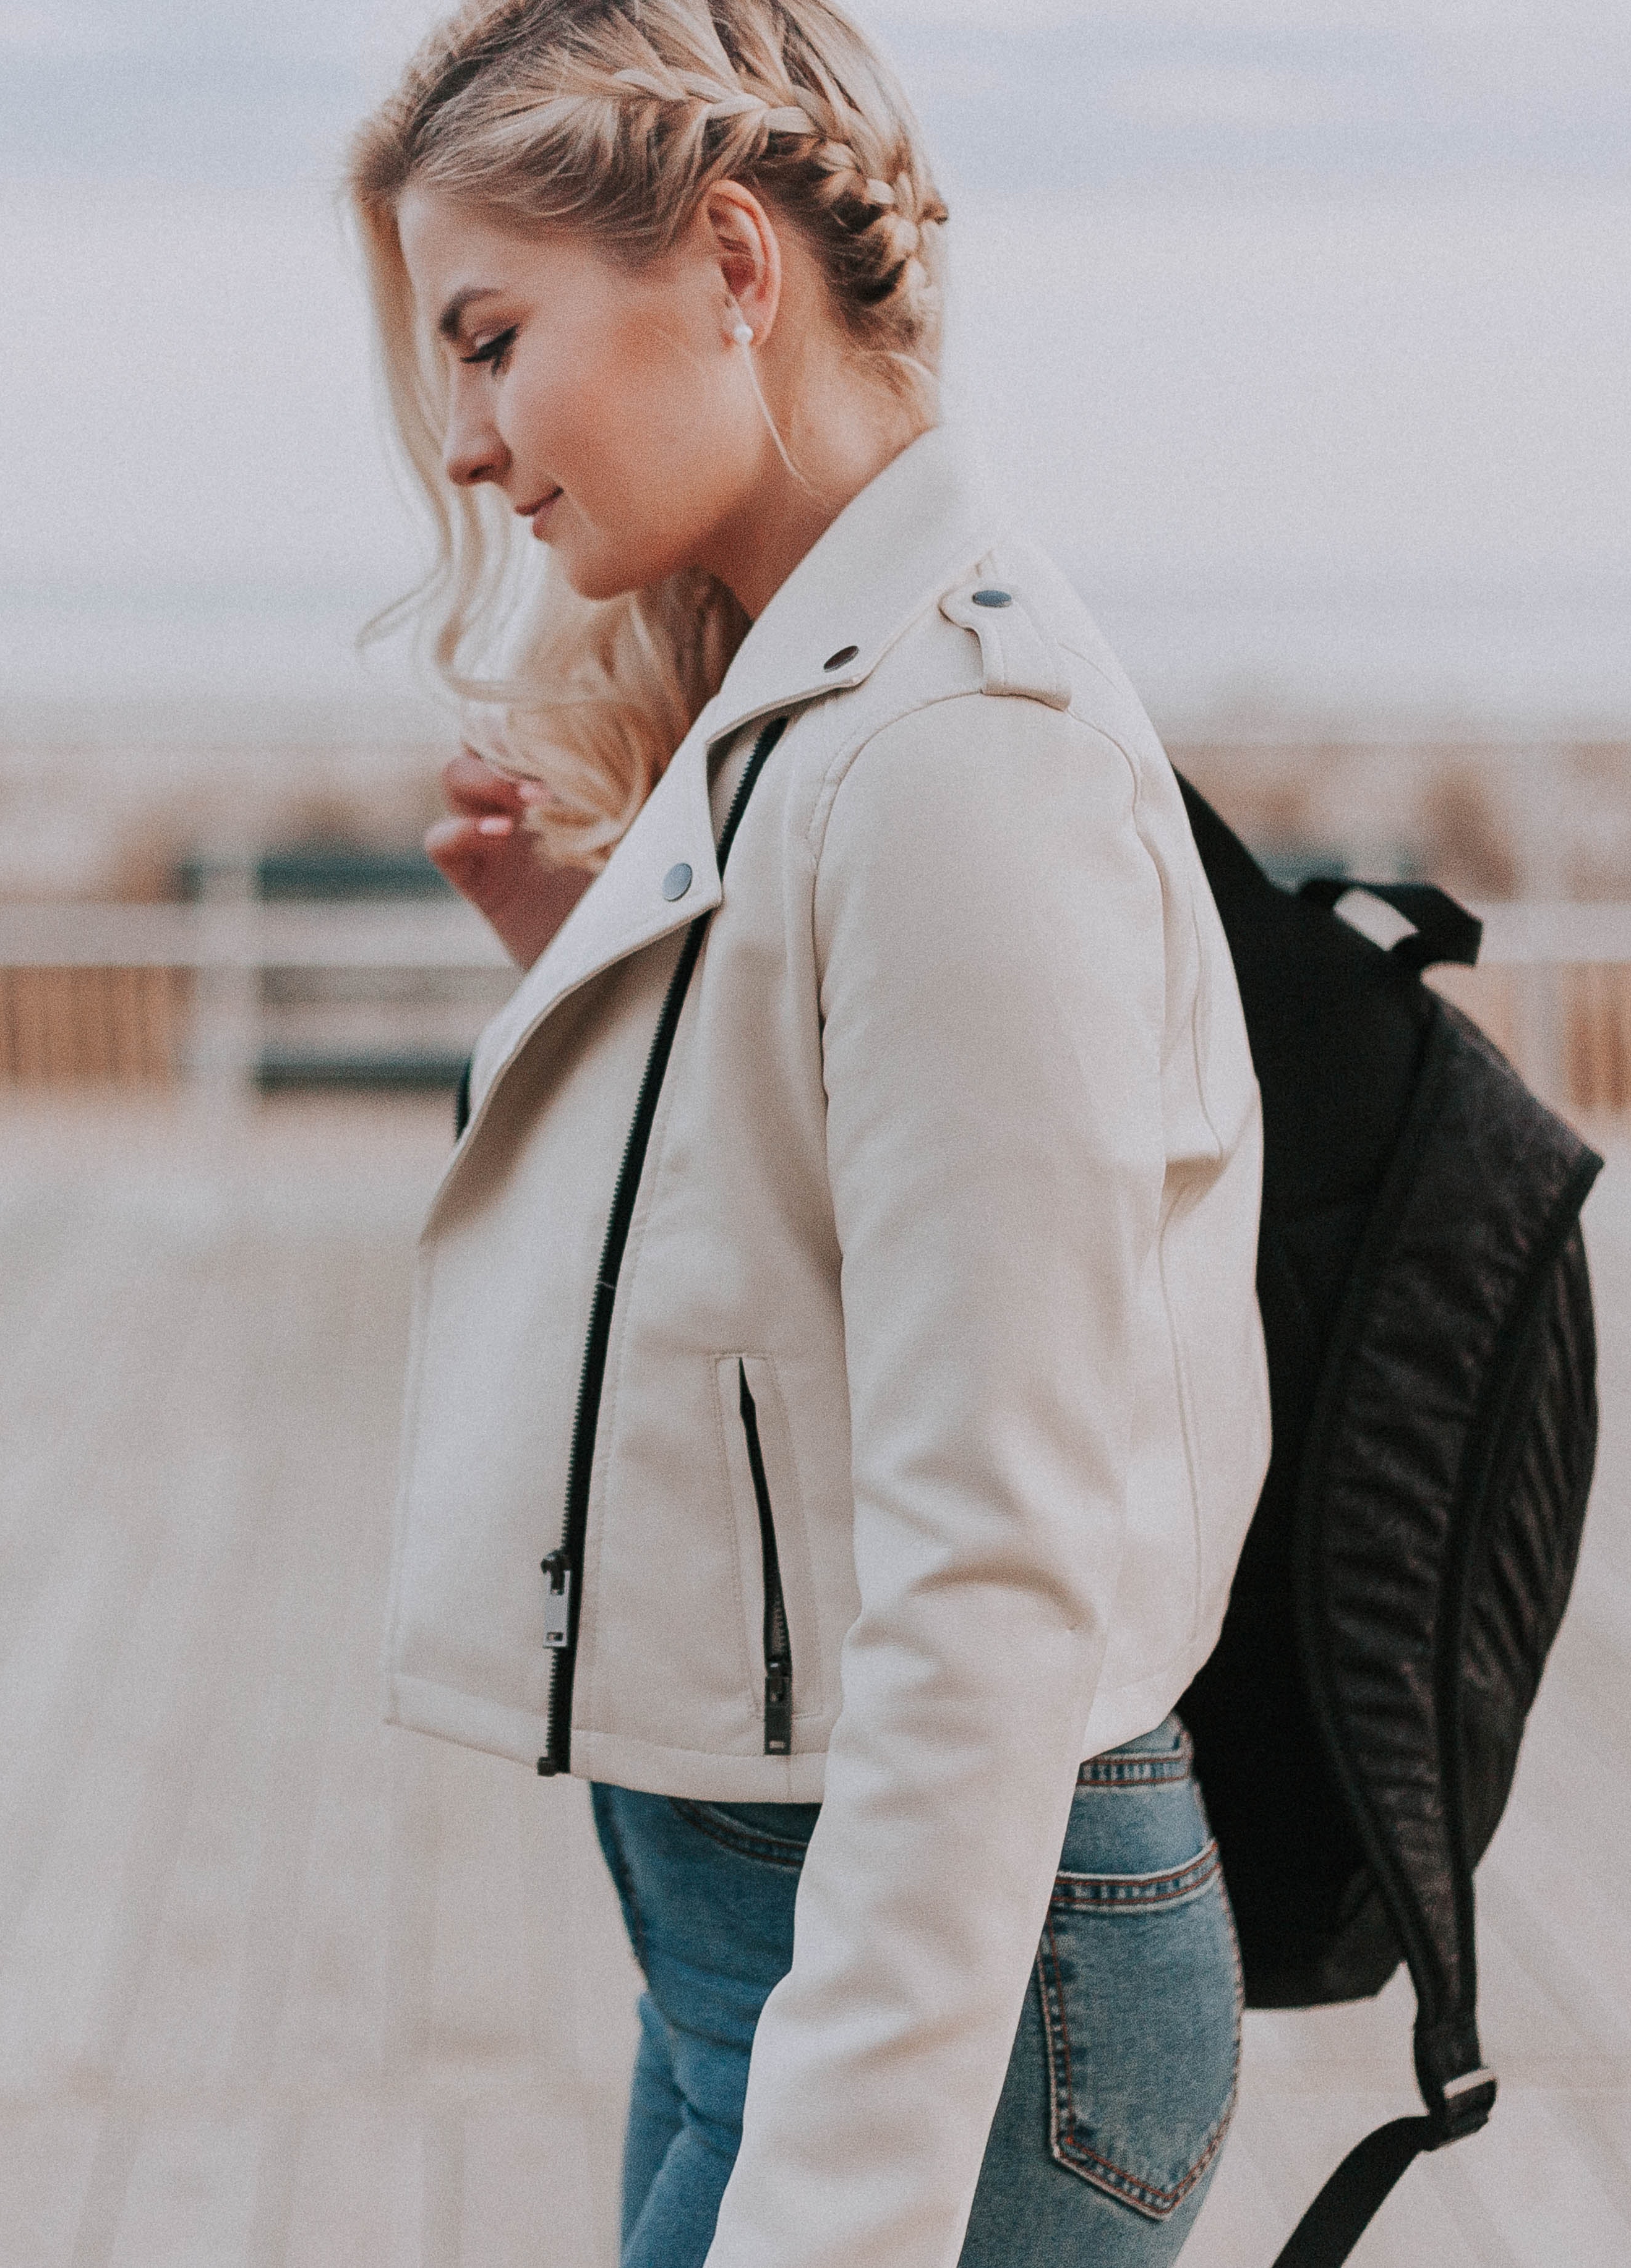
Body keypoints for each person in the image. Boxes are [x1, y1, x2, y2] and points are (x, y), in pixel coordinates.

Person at [349, 5, 1274, 2264]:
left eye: (491, 340)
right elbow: (800, 1234)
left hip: (943, 1988)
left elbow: (992, 1559)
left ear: (731, 268)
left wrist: (837, 2206)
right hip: (773, 1943)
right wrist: (587, 944)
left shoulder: (960, 752)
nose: (468, 444)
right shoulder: (814, 696)